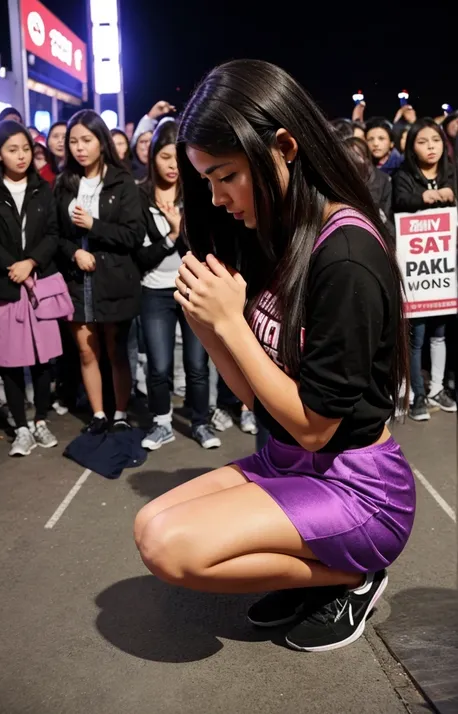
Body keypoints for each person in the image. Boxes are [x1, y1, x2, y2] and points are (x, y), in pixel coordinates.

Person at [134, 59, 416, 653]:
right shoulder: (275, 231)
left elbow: (316, 427)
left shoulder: (344, 255)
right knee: (148, 526)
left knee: (171, 548)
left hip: (360, 488)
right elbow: (252, 394)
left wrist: (230, 324)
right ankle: (317, 570)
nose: (216, 197)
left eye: (226, 175)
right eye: (206, 179)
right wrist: (207, 322)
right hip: (292, 460)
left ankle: (352, 574)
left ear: (284, 146)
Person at [136, 119, 220, 450]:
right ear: (152, 157)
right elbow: (140, 256)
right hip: (153, 290)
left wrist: (180, 229)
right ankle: (161, 423)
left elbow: (204, 248)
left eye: (177, 158)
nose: (172, 166)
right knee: (158, 365)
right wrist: (170, 233)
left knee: (197, 364)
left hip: (192, 287)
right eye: (164, 157)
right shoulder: (140, 195)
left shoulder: (198, 193)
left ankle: (200, 422)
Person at [55, 110, 142, 433]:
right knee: (86, 350)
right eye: (74, 141)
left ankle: (120, 413)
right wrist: (74, 251)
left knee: (115, 351)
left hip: (114, 278)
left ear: (101, 142)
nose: (80, 148)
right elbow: (56, 234)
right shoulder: (65, 183)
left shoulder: (122, 182)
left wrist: (94, 226)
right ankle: (98, 414)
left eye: (87, 140)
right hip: (78, 281)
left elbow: (133, 234)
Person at [0, 121, 61, 455]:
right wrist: (11, 265)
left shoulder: (41, 188)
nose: (21, 156)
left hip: (38, 285)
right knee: (10, 362)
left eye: (26, 149)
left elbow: (54, 234)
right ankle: (21, 426)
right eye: (13, 149)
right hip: (2, 288)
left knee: (42, 360)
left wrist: (31, 261)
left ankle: (40, 420)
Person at [393, 118, 457, 420]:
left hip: (445, 272)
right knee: (416, 336)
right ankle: (416, 395)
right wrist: (424, 197)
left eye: (435, 140)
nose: (430, 147)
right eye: (422, 141)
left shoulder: (450, 172)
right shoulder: (404, 174)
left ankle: (437, 389)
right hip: (417, 272)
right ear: (411, 146)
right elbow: (400, 201)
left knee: (440, 333)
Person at [343, 137, 394, 232]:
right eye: (349, 156)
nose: (354, 160)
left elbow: (387, 214)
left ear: (366, 156)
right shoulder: (339, 181)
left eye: (357, 155)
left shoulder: (382, 179)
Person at [131, 101, 176, 181]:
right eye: (143, 142)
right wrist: (151, 116)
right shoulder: (127, 177)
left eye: (151, 142)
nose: (148, 146)